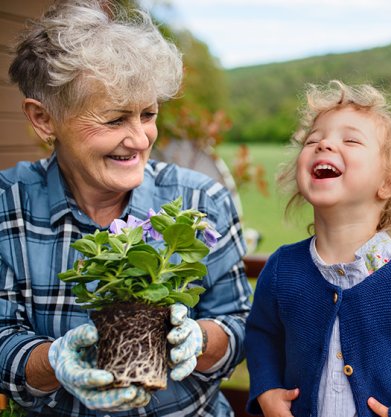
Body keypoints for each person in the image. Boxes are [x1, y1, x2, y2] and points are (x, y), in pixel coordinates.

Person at [0, 1, 251, 416]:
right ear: (44, 119)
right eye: (115, 120)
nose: (139, 139)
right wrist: (56, 362)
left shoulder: (201, 200)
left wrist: (201, 339)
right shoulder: (9, 205)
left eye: (148, 114)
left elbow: (239, 321)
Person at [245, 80, 391, 417]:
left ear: (388, 182)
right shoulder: (282, 269)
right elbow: (261, 335)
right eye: (313, 139)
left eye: (351, 140)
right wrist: (266, 390)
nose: (324, 144)